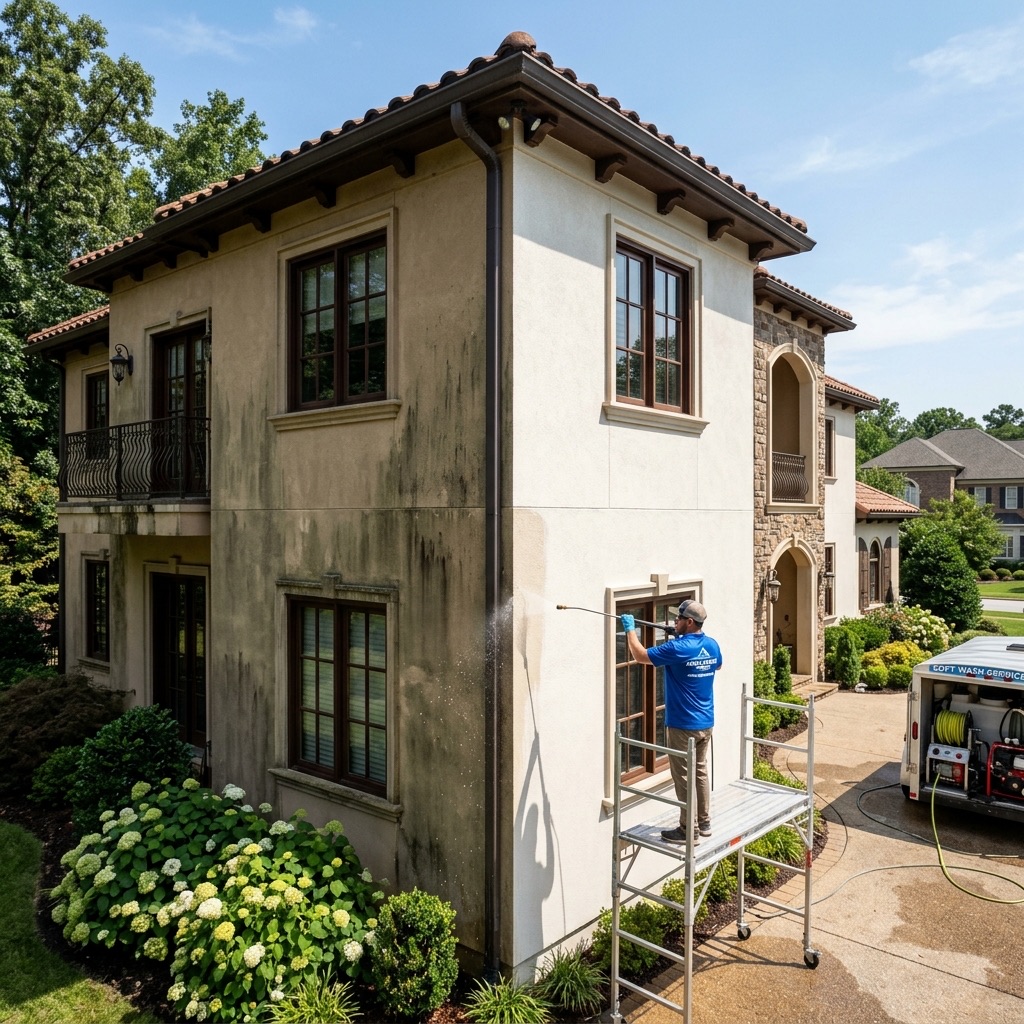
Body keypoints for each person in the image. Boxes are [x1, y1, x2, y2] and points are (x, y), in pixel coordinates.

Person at [621, 599, 722, 845]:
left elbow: (640, 655)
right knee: (699, 771)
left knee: (683, 776)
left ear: (689, 622)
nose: (674, 621)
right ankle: (704, 822)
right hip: (705, 722)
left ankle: (688, 830)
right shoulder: (711, 645)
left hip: (683, 724)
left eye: (678, 619)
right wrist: (677, 638)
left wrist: (629, 629)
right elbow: (714, 664)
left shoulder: (680, 649)